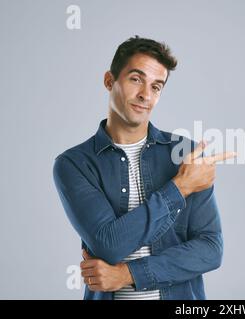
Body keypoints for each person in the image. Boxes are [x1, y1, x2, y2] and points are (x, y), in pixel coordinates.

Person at [53, 36, 235, 300]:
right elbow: (110, 245)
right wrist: (181, 186)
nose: (145, 95)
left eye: (156, 86)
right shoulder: (74, 164)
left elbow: (210, 249)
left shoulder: (185, 154)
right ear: (109, 80)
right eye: (136, 79)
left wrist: (128, 274)